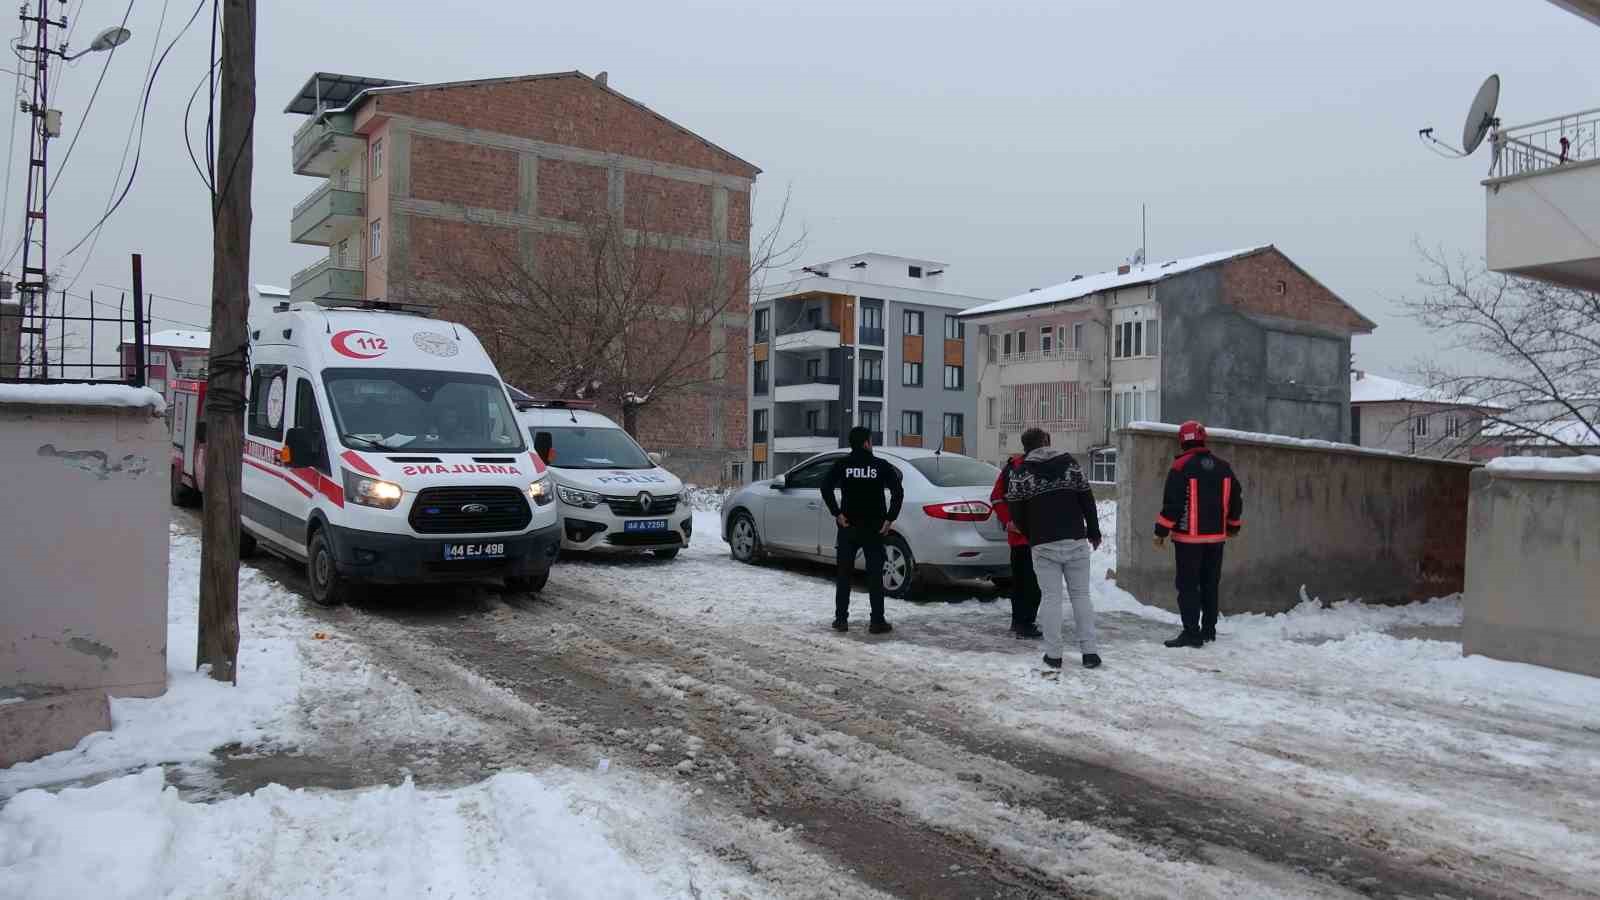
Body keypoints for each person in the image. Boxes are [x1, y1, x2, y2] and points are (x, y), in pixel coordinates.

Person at [1006, 428, 1103, 670]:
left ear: (1026, 447)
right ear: (1047, 442)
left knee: (1051, 598)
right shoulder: (1070, 464)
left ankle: (1054, 655)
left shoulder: (1020, 473)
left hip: (1043, 543)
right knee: (1081, 596)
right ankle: (1090, 652)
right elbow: (1086, 498)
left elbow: (1016, 512)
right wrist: (1093, 531)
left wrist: (1032, 534)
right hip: (1075, 539)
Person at [1153, 420, 1244, 648]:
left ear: (1182, 441)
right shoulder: (1224, 467)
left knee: (1188, 585)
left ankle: (1192, 634)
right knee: (1210, 583)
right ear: (1203, 438)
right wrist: (1232, 526)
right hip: (1216, 539)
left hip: (1188, 540)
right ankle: (1209, 630)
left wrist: (1161, 531)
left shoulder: (1180, 467)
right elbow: (1236, 500)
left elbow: (1172, 504)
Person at [821, 426, 904, 634]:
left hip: (848, 526)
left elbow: (825, 487)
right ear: (866, 443)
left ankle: (841, 620)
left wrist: (837, 513)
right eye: (870, 441)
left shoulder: (843, 465)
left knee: (844, 574)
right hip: (874, 528)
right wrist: (889, 519)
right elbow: (898, 491)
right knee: (875, 575)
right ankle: (877, 621)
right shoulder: (880, 465)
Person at [990, 451, 1042, 639]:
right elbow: (996, 497)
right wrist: (1008, 521)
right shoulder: (1014, 468)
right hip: (1029, 539)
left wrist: (1008, 521)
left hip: (1028, 538)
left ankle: (1021, 621)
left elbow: (996, 497)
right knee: (1030, 583)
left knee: (1023, 583)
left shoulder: (1012, 467)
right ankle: (1024, 622)